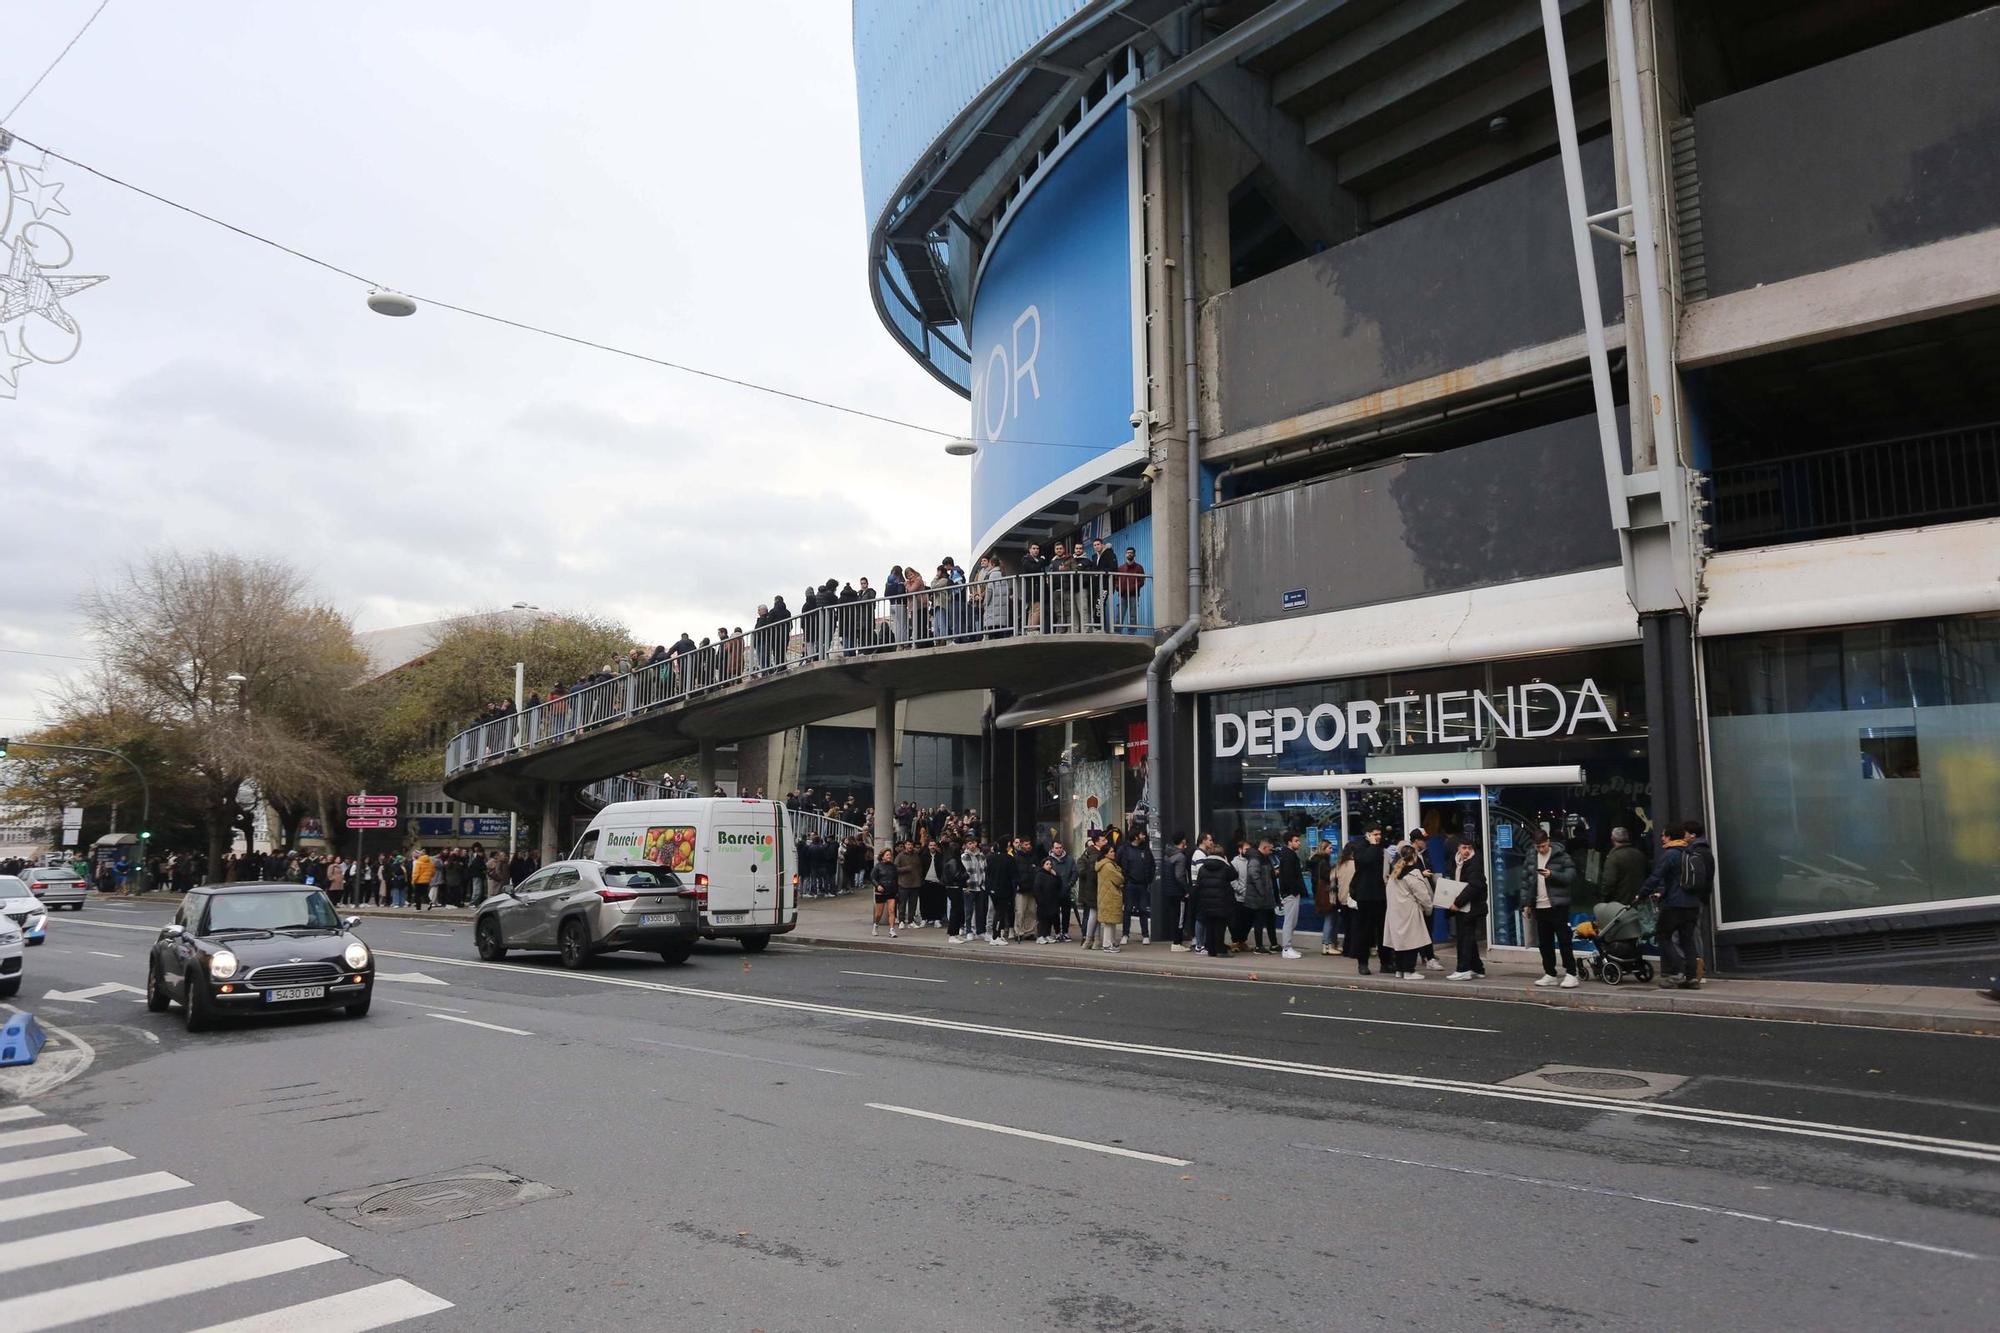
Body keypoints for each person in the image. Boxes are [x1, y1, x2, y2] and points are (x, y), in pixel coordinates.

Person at [1642, 819, 1712, 989]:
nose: (1661, 839)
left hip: (1675, 904)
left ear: (1669, 836)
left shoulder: (1671, 854)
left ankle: (1678, 973)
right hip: (1692, 904)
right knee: (1687, 940)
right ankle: (1691, 978)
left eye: (1663, 835)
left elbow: (1656, 877)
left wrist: (1641, 893)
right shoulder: (1690, 852)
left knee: (1663, 936)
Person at [1524, 828, 1582, 988]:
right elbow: (1527, 881)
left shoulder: (1561, 855)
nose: (1541, 849)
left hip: (1558, 904)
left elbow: (1571, 876)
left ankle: (1571, 973)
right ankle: (1550, 973)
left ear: (1548, 841)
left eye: (1543, 846)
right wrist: (1527, 903)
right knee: (1545, 942)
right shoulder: (1531, 857)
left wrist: (1552, 874)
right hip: (1539, 905)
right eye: (1538, 847)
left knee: (1564, 940)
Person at [1343, 826, 1388, 975]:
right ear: (1368, 835)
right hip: (1366, 896)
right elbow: (1365, 861)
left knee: (1383, 931)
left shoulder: (1381, 848)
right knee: (1364, 932)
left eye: (1380, 834)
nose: (1378, 837)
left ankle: (1386, 962)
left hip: (1381, 896)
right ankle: (1363, 962)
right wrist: (1374, 845)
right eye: (1375, 834)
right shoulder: (1360, 848)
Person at [1385, 847, 1434, 979]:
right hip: (1410, 911)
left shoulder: (1394, 873)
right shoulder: (1414, 873)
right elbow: (1423, 895)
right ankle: (1409, 971)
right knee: (1413, 942)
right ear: (1414, 856)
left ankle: (1399, 969)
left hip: (1395, 913)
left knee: (1399, 943)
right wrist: (1429, 909)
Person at [1446, 838, 1489, 979]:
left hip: (1472, 906)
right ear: (1458, 848)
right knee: (1467, 937)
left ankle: (1463, 969)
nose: (1466, 851)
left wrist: (1457, 903)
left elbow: (1474, 886)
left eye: (1469, 848)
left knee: (1465, 937)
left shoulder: (1475, 863)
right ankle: (1477, 968)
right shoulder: (1456, 861)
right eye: (1464, 847)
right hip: (1463, 905)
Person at [1190, 839, 1239, 958]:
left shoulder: (1203, 868)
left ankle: (1211, 949)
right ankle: (1220, 950)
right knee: (1220, 927)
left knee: (1210, 925)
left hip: (1206, 902)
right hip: (1221, 902)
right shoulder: (1224, 867)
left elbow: (1199, 883)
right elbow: (1234, 875)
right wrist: (1227, 862)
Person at [1241, 837, 1280, 953]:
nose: (1271, 851)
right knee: (1259, 921)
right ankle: (1259, 946)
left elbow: (1266, 876)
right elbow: (1254, 875)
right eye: (1270, 849)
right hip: (1259, 896)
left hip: (1266, 895)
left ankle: (1274, 944)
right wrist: (1262, 891)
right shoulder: (1255, 859)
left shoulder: (1265, 858)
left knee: (1270, 920)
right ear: (1264, 847)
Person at [1118, 831, 1155, 945]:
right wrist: (1123, 879)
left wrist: (1149, 879)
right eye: (1142, 834)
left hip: (1142, 883)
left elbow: (1152, 864)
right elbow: (1118, 863)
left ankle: (1145, 935)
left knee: (1143, 909)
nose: (1144, 836)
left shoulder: (1145, 849)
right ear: (1136, 836)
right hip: (1130, 883)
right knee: (1128, 909)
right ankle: (1125, 934)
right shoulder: (1124, 849)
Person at [1275, 832, 1306, 959]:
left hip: (1290, 892)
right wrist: (1294, 890)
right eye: (1296, 840)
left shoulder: (1288, 855)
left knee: (1292, 921)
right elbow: (1289, 876)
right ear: (1289, 842)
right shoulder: (1288, 856)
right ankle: (1286, 948)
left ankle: (1288, 947)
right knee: (1290, 921)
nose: (1298, 843)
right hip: (1290, 893)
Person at [1600, 826, 1648, 905]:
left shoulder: (1613, 857)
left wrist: (1604, 899)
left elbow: (1609, 882)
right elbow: (1648, 875)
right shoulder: (1639, 854)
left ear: (1612, 839)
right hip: (1639, 901)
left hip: (1619, 903)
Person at [1095, 844, 1125, 953]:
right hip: (1110, 896)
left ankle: (1111, 942)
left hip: (1106, 896)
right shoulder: (1108, 866)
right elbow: (1119, 879)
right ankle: (1107, 944)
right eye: (1111, 851)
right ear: (1106, 853)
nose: (1114, 853)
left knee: (1111, 921)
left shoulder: (1104, 864)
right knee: (1109, 922)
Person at [986, 832, 1016, 944]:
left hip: (993, 889)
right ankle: (995, 936)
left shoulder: (990, 858)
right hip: (1004, 890)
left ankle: (998, 934)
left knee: (999, 912)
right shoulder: (1009, 859)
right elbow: (1013, 875)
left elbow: (987, 874)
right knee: (1000, 913)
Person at [1163, 833, 1191, 951]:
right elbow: (1179, 875)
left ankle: (1176, 941)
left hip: (1169, 890)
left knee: (1174, 916)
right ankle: (1176, 943)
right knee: (1179, 917)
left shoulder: (1167, 855)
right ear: (1182, 841)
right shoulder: (1180, 857)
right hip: (1178, 892)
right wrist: (1187, 889)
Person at [958, 837, 989, 942]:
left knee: (980, 911)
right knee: (968, 911)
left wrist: (983, 884)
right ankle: (969, 931)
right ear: (966, 845)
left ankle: (980, 931)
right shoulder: (964, 856)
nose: (972, 845)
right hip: (969, 887)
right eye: (970, 843)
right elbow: (963, 873)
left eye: (974, 843)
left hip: (980, 886)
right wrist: (964, 886)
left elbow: (984, 870)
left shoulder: (981, 856)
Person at [870, 847, 900, 938]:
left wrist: (897, 890)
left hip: (891, 891)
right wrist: (877, 886)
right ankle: (875, 925)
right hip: (881, 892)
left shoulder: (893, 867)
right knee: (879, 913)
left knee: (891, 910)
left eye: (890, 855)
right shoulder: (878, 866)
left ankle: (892, 929)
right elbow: (872, 877)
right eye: (887, 855)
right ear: (882, 857)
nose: (889, 856)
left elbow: (896, 879)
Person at [1114, 547, 1146, 630]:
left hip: (1133, 595)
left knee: (1133, 615)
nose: (1129, 554)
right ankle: (1117, 633)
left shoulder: (1139, 567)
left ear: (1134, 554)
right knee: (1119, 615)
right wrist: (1118, 588)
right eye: (1128, 553)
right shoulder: (1120, 568)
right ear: (1125, 554)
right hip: (1122, 595)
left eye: (1131, 553)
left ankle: (1132, 633)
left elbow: (1141, 581)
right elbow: (1116, 580)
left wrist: (1131, 588)